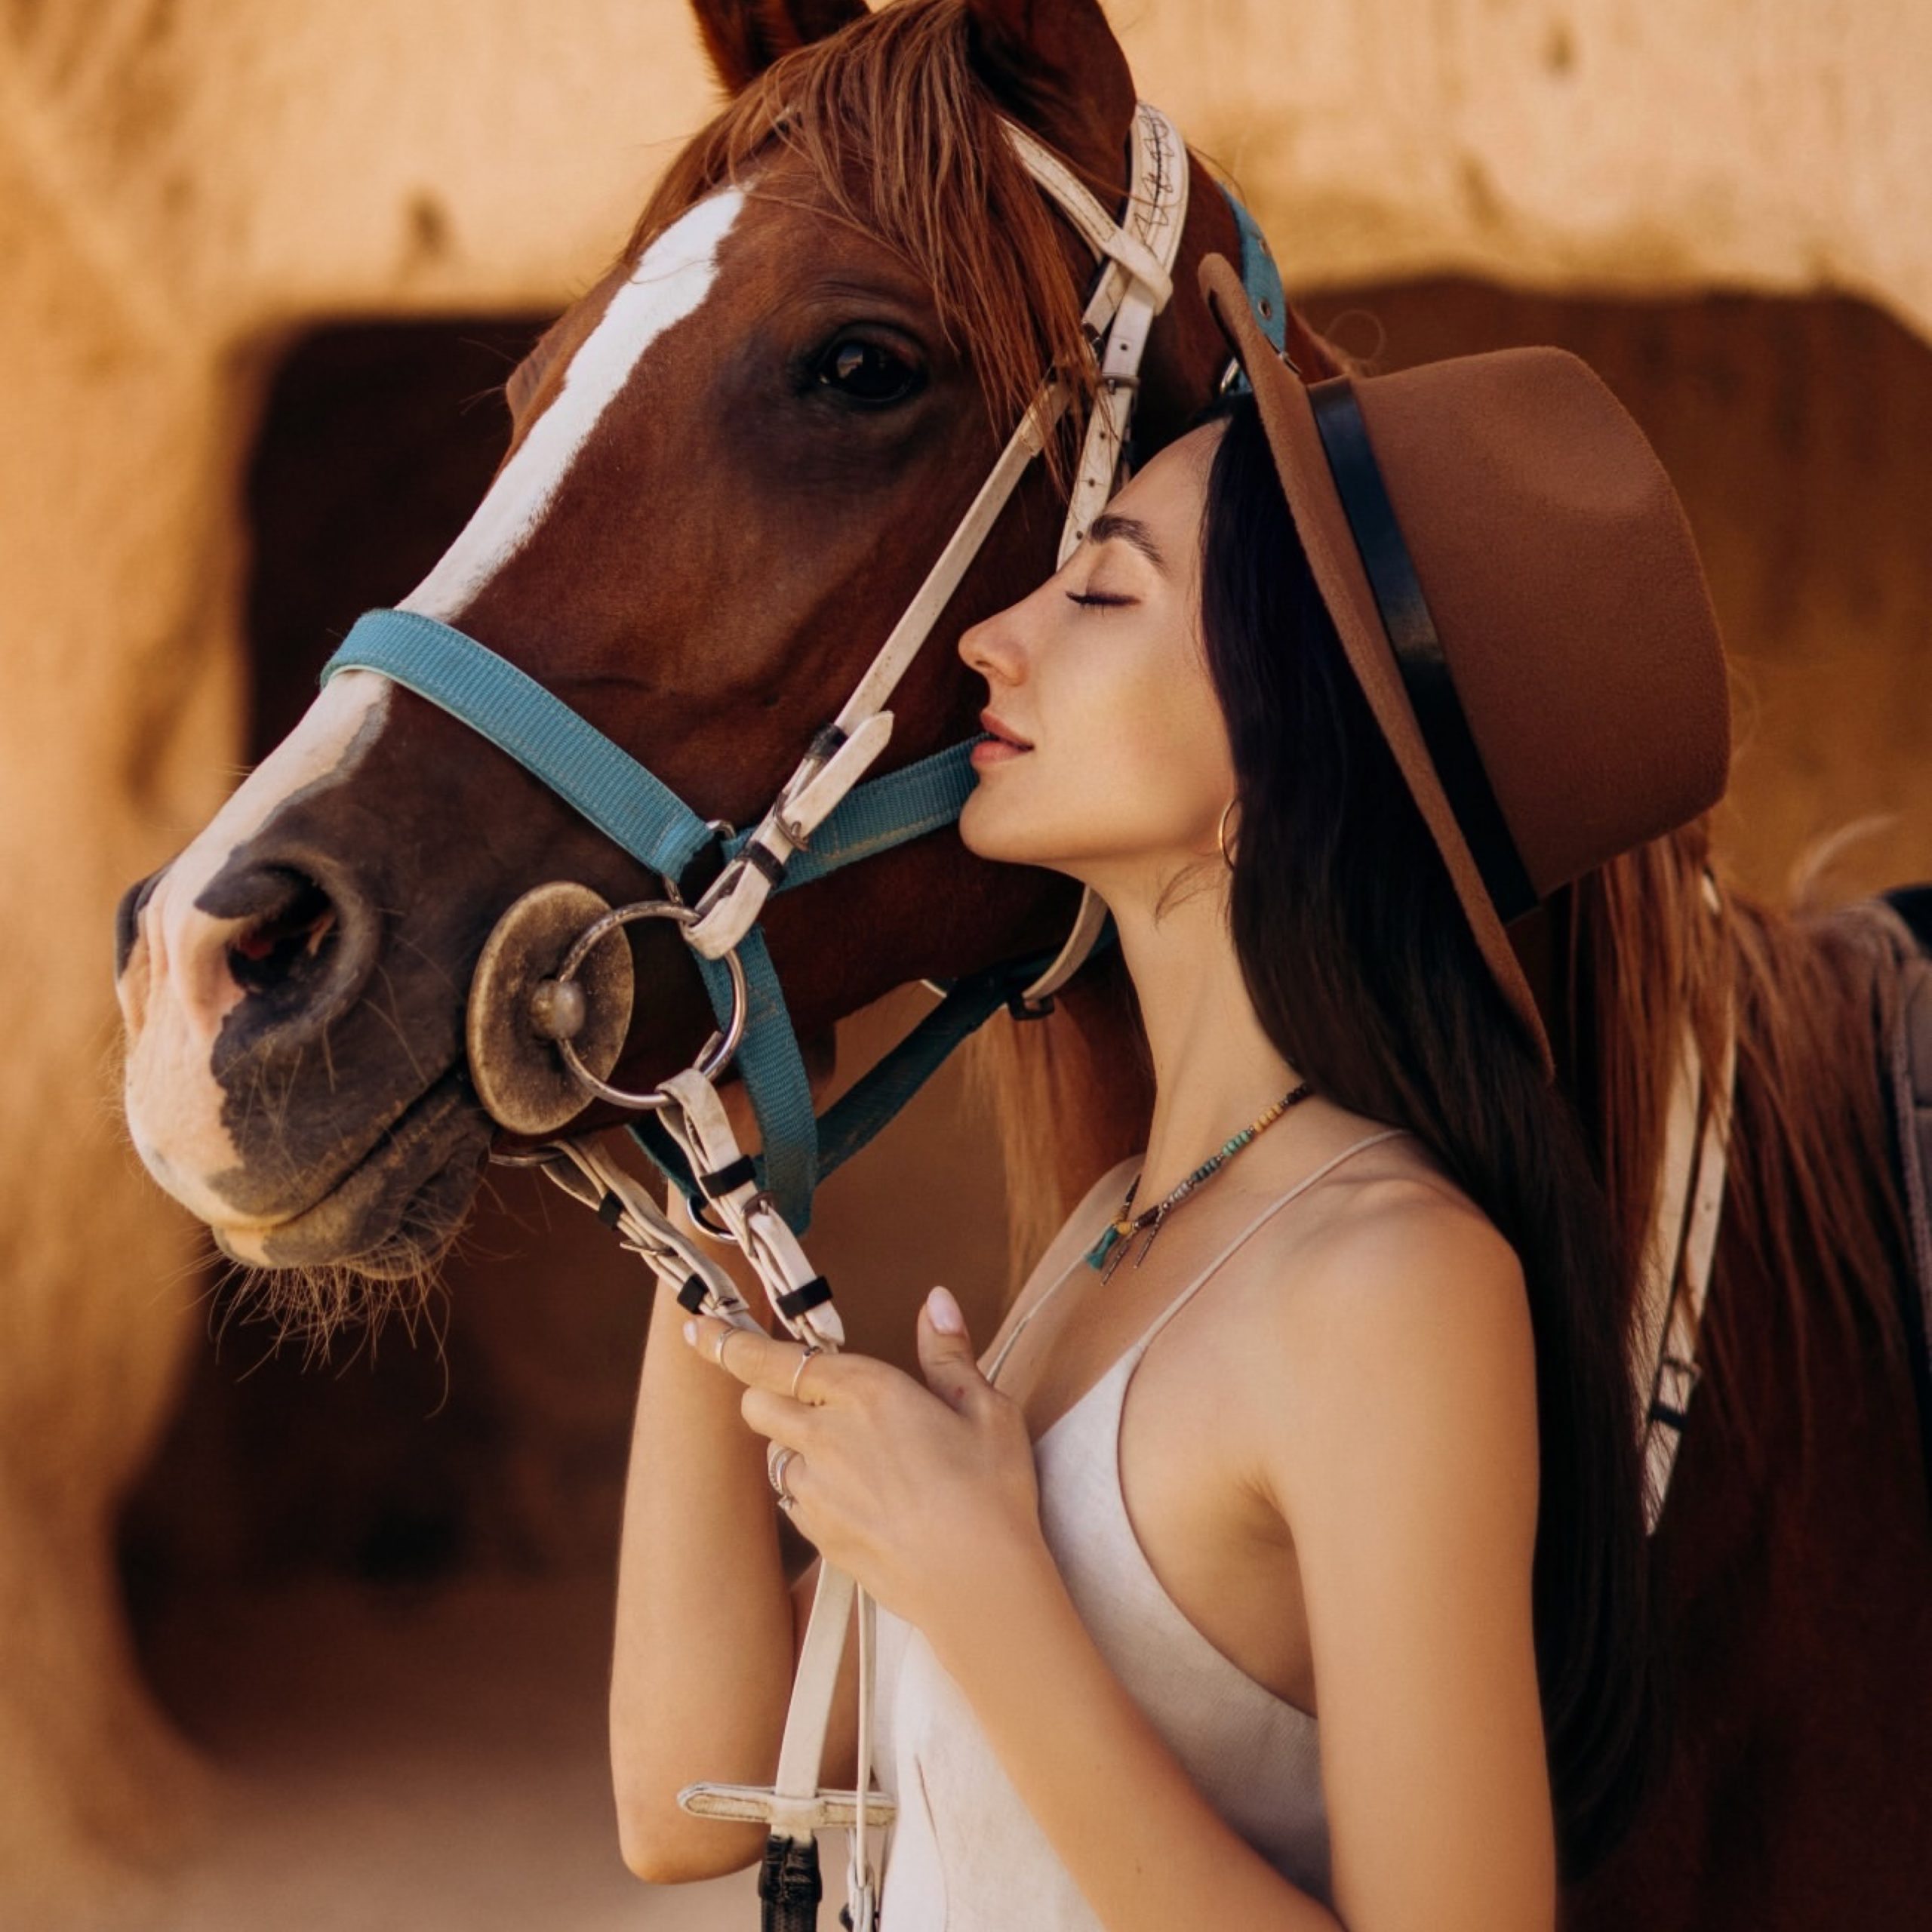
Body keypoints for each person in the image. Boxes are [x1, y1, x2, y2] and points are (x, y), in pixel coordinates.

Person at [607, 255, 1730, 1930]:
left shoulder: (1391, 1279)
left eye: (1102, 595)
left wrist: (983, 1586)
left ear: (1287, 757)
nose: (994, 635)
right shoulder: (1107, 1237)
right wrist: (717, 1172)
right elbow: (681, 1786)